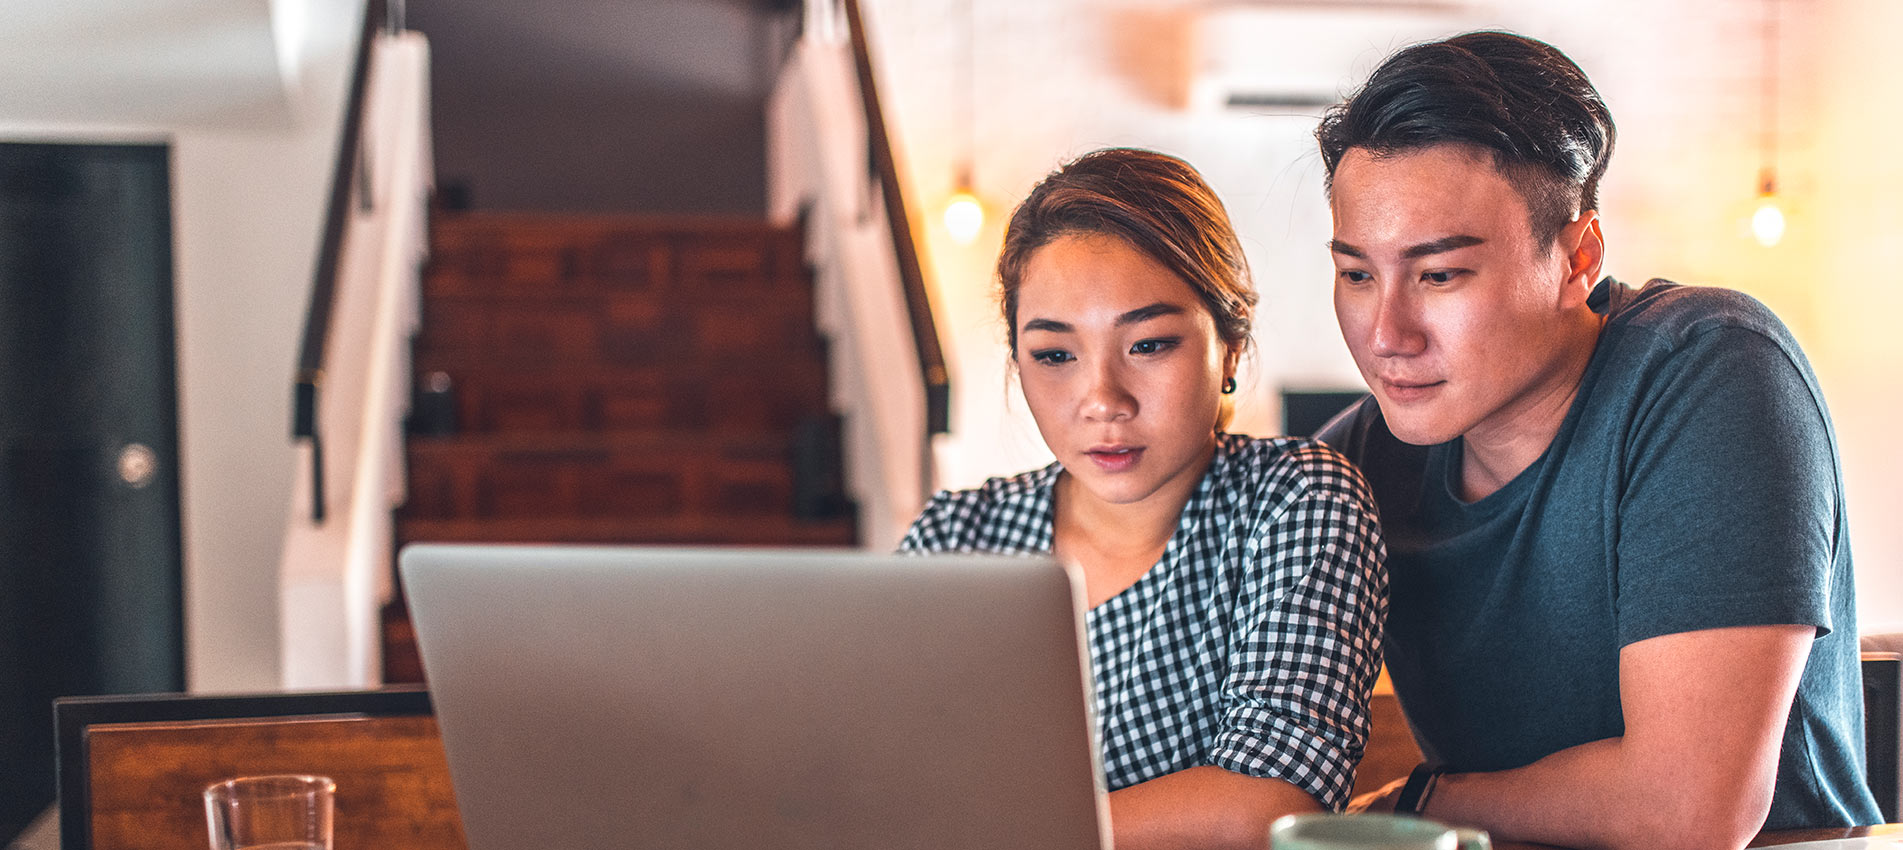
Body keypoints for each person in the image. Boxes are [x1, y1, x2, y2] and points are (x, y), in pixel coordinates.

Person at [1313, 31, 1882, 849]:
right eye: (1356, 275)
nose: (1385, 333)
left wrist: (1426, 802)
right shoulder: (1355, 464)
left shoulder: (1708, 367)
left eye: (1438, 275)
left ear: (1578, 258)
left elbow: (1685, 813)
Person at [900, 148, 1387, 849]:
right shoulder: (956, 537)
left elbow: (1270, 807)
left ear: (1232, 347)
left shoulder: (1293, 500)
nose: (1102, 401)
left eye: (1150, 344)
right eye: (1055, 355)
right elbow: (882, 772)